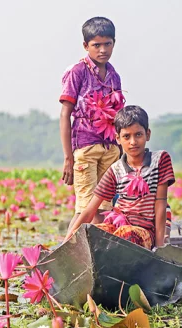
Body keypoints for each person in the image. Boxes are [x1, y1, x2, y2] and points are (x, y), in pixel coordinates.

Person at [65, 106, 175, 249]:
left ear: (148, 134)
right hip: (118, 227)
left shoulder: (160, 160)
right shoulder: (115, 169)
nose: (133, 142)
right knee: (90, 234)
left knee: (127, 235)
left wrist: (160, 248)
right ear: (118, 139)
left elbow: (161, 204)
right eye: (126, 136)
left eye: (138, 135)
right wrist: (66, 243)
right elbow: (89, 210)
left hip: (144, 232)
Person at [59, 16, 124, 233]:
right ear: (86, 46)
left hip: (110, 147)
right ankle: (67, 249)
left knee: (104, 209)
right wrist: (68, 158)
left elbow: (118, 116)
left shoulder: (114, 76)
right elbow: (65, 114)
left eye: (108, 44)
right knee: (85, 207)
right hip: (85, 147)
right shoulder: (77, 72)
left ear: (114, 43)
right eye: (96, 45)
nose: (103, 50)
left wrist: (122, 150)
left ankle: (95, 256)